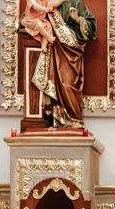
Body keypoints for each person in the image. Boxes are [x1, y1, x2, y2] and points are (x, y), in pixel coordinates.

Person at [32, 0, 96, 128]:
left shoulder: (76, 3)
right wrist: (23, 22)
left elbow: (92, 28)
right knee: (54, 84)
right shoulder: (46, 2)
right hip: (53, 49)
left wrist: (78, 19)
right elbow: (31, 15)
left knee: (67, 84)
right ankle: (56, 119)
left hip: (71, 51)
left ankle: (74, 120)